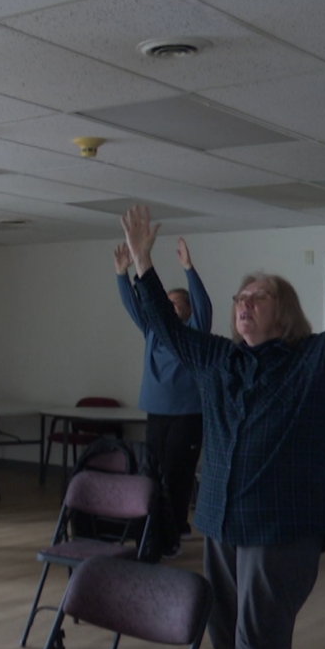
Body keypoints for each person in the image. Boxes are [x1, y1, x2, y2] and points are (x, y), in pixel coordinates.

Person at [120, 183, 325, 649]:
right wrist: (142, 263)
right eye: (241, 297)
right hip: (220, 520)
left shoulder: (313, 362)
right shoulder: (220, 359)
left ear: (282, 311)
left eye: (257, 297)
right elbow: (166, 330)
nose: (244, 304)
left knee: (258, 642)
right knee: (225, 637)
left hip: (281, 526)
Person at [115, 236, 212, 558]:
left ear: (186, 310)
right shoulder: (153, 331)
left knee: (178, 475)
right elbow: (133, 305)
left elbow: (204, 306)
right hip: (157, 412)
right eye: (165, 301)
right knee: (153, 473)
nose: (169, 306)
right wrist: (121, 275)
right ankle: (164, 528)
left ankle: (172, 534)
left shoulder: (194, 332)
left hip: (187, 415)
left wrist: (189, 268)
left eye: (176, 303)